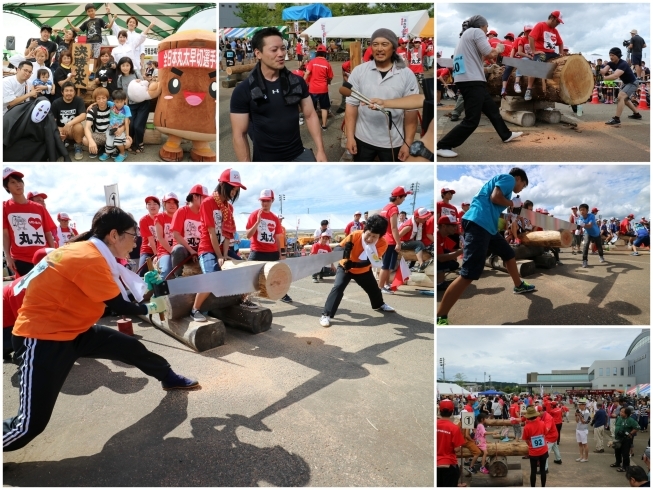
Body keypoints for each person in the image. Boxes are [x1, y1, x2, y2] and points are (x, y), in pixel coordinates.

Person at [2, 206, 200, 452]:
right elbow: (120, 305)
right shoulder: (90, 259)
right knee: (28, 426)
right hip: (42, 339)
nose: (135, 242)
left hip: (75, 330)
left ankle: (168, 378)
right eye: (133, 235)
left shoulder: (89, 252)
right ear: (114, 235)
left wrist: (150, 292)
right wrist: (152, 306)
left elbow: (120, 294)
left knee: (130, 347)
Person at [437, 168, 535, 325]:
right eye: (523, 185)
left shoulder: (505, 187)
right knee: (469, 274)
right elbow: (495, 198)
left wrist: (510, 206)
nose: (521, 189)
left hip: (488, 227)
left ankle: (518, 285)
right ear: (518, 178)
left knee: (509, 254)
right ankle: (440, 315)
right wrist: (512, 203)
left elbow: (495, 203)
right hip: (479, 224)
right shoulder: (508, 179)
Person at [230, 28, 327, 162]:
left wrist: (320, 150)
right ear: (258, 53)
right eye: (274, 50)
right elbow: (239, 135)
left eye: (283, 48)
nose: (281, 54)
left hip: (298, 154)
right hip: (265, 161)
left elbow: (310, 115)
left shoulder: (296, 82)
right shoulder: (244, 90)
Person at [436, 16, 522, 158]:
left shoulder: (464, 39)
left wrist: (487, 70)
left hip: (469, 80)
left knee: (492, 110)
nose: (487, 31)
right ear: (482, 25)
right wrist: (498, 49)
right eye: (486, 28)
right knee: (472, 120)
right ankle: (443, 145)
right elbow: (489, 53)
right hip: (472, 81)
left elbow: (475, 61)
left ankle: (506, 134)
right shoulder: (476, 32)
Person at [345, 29, 419, 162]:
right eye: (375, 44)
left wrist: (407, 143)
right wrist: (350, 137)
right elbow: (351, 106)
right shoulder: (359, 71)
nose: (379, 49)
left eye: (385, 44)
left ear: (393, 48)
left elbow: (411, 113)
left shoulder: (406, 74)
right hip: (362, 139)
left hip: (393, 142)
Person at [320, 214, 395, 327]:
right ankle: (326, 314)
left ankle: (379, 305)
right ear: (364, 230)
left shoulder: (383, 243)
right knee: (338, 287)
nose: (370, 239)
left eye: (374, 237)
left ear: (380, 236)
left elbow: (370, 261)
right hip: (345, 267)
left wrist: (354, 264)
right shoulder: (355, 235)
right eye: (368, 234)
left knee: (374, 289)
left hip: (363, 270)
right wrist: (344, 249)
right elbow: (338, 248)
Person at [192, 169, 246, 322]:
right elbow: (210, 232)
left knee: (245, 268)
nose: (234, 193)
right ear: (223, 185)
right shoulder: (208, 203)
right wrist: (220, 255)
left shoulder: (229, 208)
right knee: (212, 276)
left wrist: (225, 253)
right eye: (233, 188)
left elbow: (228, 234)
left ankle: (241, 300)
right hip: (207, 248)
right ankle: (195, 309)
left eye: (236, 190)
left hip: (223, 248)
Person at [2, 167, 57, 276]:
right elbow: (5, 235)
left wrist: (54, 253)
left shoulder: (39, 208)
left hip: (43, 257)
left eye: (19, 181)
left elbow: (47, 233)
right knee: (27, 291)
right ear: (6, 187)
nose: (18, 185)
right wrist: (8, 257)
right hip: (21, 259)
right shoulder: (4, 207)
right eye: (13, 182)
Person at [246, 189, 292, 303]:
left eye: (267, 201)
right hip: (257, 251)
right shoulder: (254, 215)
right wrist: (257, 222)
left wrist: (281, 254)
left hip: (272, 252)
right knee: (249, 276)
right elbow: (248, 235)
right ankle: (246, 298)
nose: (264, 203)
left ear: (272, 201)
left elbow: (277, 238)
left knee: (277, 275)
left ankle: (282, 293)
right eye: (262, 200)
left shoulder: (275, 218)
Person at [168, 185, 207, 280]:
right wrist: (191, 250)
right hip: (185, 249)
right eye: (204, 198)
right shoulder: (181, 211)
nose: (206, 201)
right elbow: (176, 234)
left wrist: (199, 251)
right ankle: (178, 277)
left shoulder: (204, 213)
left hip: (198, 248)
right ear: (195, 197)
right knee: (178, 250)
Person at [378, 186, 412, 294]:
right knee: (386, 265)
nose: (404, 199)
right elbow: (393, 227)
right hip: (390, 241)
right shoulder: (394, 208)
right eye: (403, 197)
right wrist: (398, 242)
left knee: (386, 265)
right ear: (397, 197)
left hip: (383, 239)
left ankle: (386, 284)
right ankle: (381, 287)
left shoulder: (385, 207)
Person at [524, 11, 564, 102]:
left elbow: (560, 43)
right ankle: (529, 89)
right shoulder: (540, 25)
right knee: (536, 65)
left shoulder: (555, 31)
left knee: (564, 66)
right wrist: (534, 51)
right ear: (552, 18)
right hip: (542, 53)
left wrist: (561, 54)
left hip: (552, 53)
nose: (558, 24)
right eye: (557, 22)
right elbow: (531, 37)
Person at [116, 57, 147, 155]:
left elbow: (145, 85)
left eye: (127, 65)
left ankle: (140, 144)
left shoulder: (136, 73)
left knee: (138, 125)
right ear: (119, 67)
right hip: (130, 106)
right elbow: (121, 94)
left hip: (143, 103)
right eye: (123, 65)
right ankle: (131, 143)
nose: (125, 68)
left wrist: (140, 82)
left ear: (131, 66)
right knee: (131, 124)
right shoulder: (120, 78)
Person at [50, 81, 86, 160]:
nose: (69, 93)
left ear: (74, 92)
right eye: (66, 91)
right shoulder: (56, 103)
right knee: (53, 129)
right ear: (62, 92)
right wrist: (58, 131)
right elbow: (53, 120)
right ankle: (64, 142)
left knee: (79, 127)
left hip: (72, 128)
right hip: (61, 129)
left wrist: (69, 124)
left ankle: (78, 146)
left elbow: (83, 115)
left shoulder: (78, 100)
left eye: (71, 90)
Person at [108, 9, 148, 77]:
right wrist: (109, 12)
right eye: (130, 22)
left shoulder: (139, 36)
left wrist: (142, 62)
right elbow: (113, 26)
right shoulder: (123, 34)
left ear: (136, 25)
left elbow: (142, 50)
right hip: (124, 65)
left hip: (136, 63)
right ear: (127, 24)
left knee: (136, 80)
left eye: (133, 22)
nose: (131, 23)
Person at [437, 399, 466, 487]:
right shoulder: (454, 428)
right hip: (449, 464)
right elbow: (456, 449)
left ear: (440, 410)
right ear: (452, 411)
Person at [304, 44, 334, 130]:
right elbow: (330, 77)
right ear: (325, 53)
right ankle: (324, 125)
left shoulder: (312, 62)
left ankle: (314, 125)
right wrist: (328, 82)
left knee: (313, 108)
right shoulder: (327, 64)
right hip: (323, 89)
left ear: (317, 53)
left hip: (312, 89)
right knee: (324, 108)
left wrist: (302, 83)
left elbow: (307, 73)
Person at [98, 89, 131, 162]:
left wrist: (127, 135)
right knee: (109, 143)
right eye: (117, 102)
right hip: (110, 128)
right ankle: (107, 153)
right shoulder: (111, 104)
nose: (119, 104)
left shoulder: (126, 108)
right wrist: (92, 104)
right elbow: (101, 101)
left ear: (124, 100)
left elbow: (127, 122)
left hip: (120, 129)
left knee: (118, 141)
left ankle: (123, 153)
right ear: (113, 101)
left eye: (121, 102)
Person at [154, 192, 179, 280]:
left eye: (174, 202)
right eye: (169, 202)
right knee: (166, 270)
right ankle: (159, 291)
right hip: (165, 251)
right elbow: (160, 238)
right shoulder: (160, 217)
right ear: (164, 204)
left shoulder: (180, 216)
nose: (172, 205)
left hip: (179, 250)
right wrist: (172, 251)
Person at [399, 207, 433, 272]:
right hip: (401, 243)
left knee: (419, 243)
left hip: (407, 241)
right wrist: (398, 244)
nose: (425, 219)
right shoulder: (408, 226)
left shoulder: (418, 223)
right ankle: (421, 263)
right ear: (417, 218)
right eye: (424, 218)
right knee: (418, 243)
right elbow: (397, 236)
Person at [523, 406, 548, 487]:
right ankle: (543, 487)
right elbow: (544, 434)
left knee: (533, 471)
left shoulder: (527, 427)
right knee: (543, 470)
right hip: (543, 450)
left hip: (533, 452)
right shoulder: (542, 423)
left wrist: (530, 444)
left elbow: (526, 439)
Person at [577, 203, 606, 268]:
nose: (582, 211)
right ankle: (584, 260)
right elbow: (579, 225)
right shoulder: (580, 218)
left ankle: (601, 256)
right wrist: (578, 229)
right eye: (580, 210)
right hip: (588, 233)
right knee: (586, 245)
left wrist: (583, 225)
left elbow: (590, 225)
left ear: (587, 211)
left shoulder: (591, 216)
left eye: (583, 210)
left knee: (599, 247)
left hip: (596, 233)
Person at [138, 195, 161, 277]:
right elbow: (151, 240)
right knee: (142, 272)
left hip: (162, 249)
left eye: (155, 204)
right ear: (146, 207)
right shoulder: (143, 220)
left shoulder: (163, 218)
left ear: (159, 206)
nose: (152, 206)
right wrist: (157, 255)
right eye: (149, 204)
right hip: (147, 250)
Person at [613, 406, 641, 471]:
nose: (620, 413)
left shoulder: (630, 420)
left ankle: (625, 467)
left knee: (625, 453)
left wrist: (630, 433)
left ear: (626, 413)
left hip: (626, 439)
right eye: (620, 411)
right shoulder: (619, 418)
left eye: (622, 412)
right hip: (618, 438)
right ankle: (617, 463)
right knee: (617, 451)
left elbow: (637, 427)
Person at [575, 398, 591, 463]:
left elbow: (584, 422)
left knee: (585, 444)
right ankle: (581, 456)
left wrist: (580, 416)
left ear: (584, 405)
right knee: (580, 443)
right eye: (579, 405)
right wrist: (576, 415)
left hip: (584, 430)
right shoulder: (578, 410)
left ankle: (586, 457)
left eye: (580, 405)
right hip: (578, 429)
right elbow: (576, 421)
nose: (579, 406)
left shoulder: (587, 412)